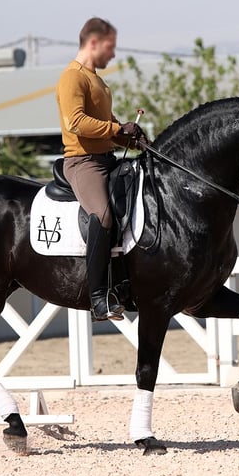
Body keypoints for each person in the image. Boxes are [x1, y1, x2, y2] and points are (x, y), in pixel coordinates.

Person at [55, 17, 147, 322]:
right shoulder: (72, 78)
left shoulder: (97, 81)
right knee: (103, 214)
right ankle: (97, 298)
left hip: (106, 158)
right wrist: (117, 127)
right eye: (110, 48)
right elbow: (76, 122)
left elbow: (106, 127)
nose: (113, 55)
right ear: (93, 43)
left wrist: (130, 138)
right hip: (83, 162)